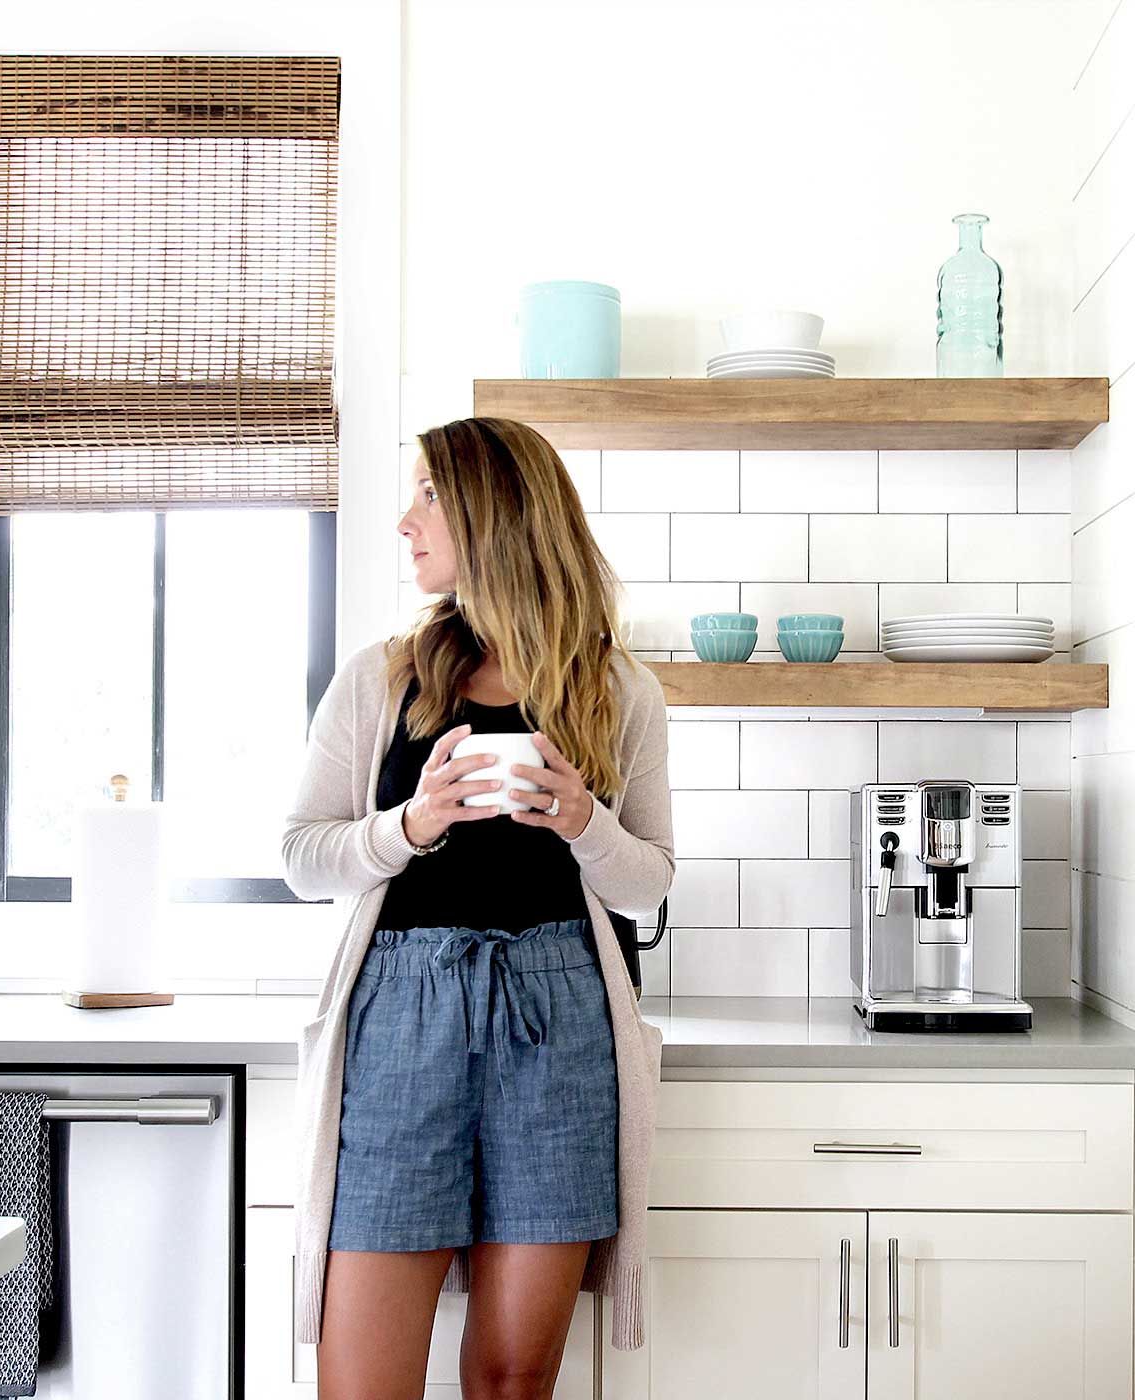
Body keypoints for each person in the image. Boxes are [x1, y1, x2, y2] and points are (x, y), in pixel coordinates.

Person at [281, 415, 674, 1399]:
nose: (403, 520)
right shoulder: (384, 677)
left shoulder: (618, 689)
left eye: (428, 494)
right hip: (403, 1021)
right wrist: (409, 825)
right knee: (363, 1384)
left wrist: (585, 821)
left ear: (495, 514)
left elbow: (651, 879)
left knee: (512, 1376)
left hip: (560, 1019)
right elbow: (303, 854)